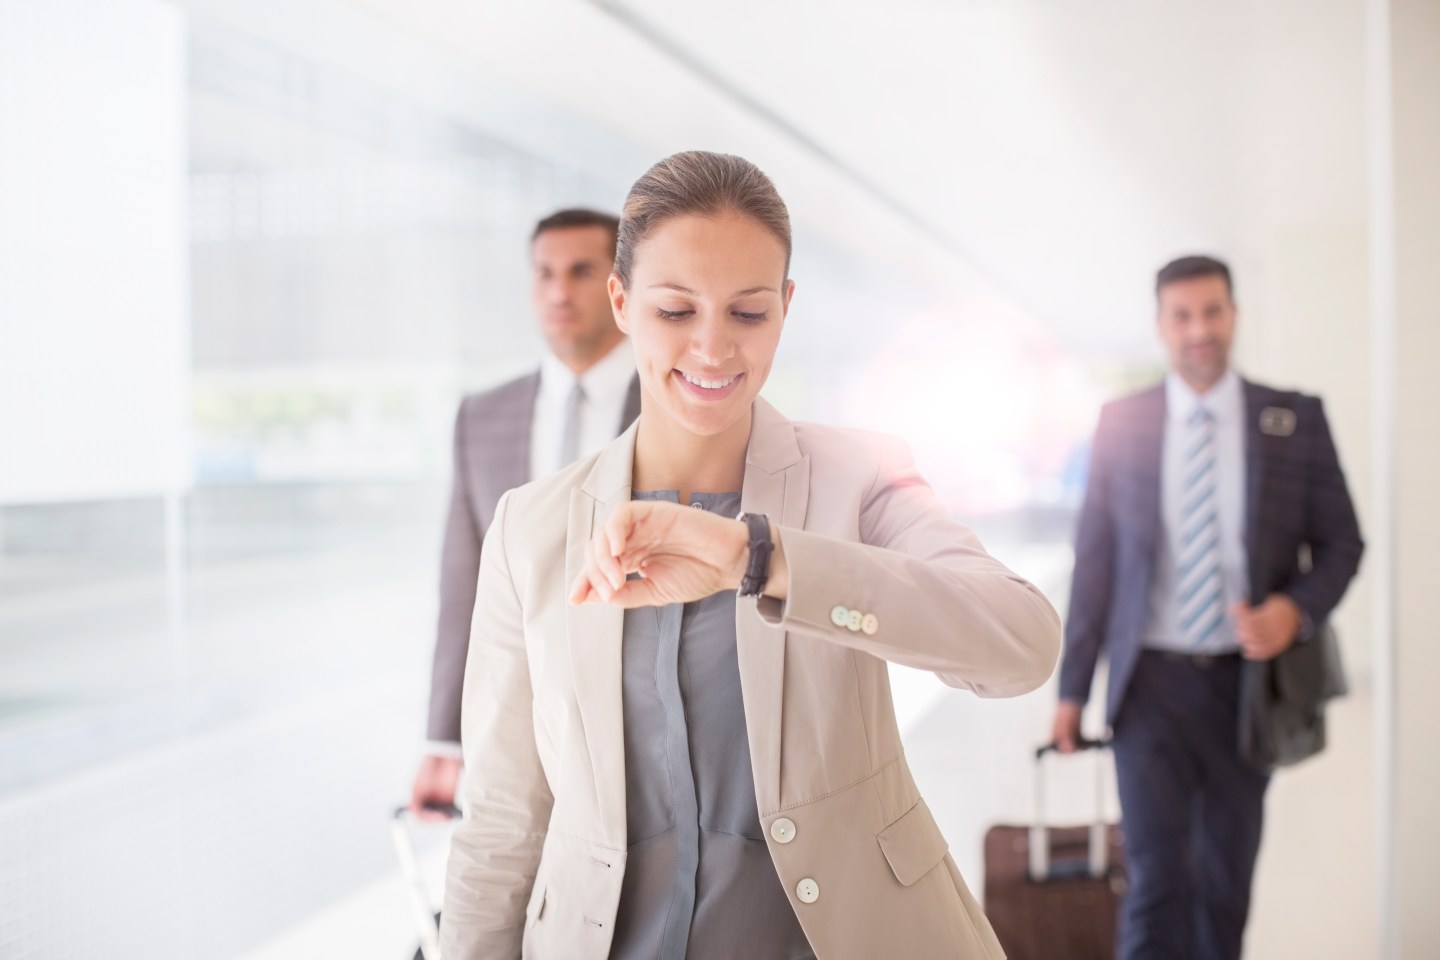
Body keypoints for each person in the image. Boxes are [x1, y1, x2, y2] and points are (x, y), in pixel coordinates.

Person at [440, 150, 1061, 960]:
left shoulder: (859, 476)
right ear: (622, 303)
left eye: (748, 312)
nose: (712, 348)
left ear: (785, 308)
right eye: (675, 310)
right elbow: (501, 819)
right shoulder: (529, 528)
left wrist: (757, 558)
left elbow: (1020, 644)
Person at [1051, 255, 1364, 960]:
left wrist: (1294, 611)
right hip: (1148, 686)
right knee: (1155, 881)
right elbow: (1095, 564)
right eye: (1182, 316)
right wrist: (1072, 692)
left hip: (1244, 687)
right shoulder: (1122, 423)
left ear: (1234, 314)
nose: (1199, 330)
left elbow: (1344, 542)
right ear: (1161, 325)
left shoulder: (1293, 419)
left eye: (1212, 312)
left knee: (1224, 883)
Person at [409, 209, 641, 819]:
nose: (559, 291)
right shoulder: (482, 418)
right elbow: (463, 584)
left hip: (643, 720)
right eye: (544, 273)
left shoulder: (673, 403)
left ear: (620, 286)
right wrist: (444, 740)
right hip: (519, 723)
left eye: (581, 271)